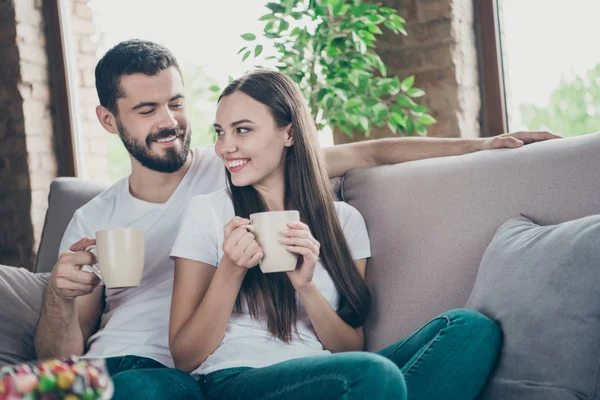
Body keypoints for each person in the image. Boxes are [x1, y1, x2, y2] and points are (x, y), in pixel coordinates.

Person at [33, 39, 559, 400]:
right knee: (126, 386)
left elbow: (370, 154)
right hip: (154, 371)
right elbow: (63, 357)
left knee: (465, 332)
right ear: (109, 120)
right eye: (147, 111)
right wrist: (59, 298)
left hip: (211, 373)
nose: (170, 122)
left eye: (175, 103)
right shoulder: (96, 216)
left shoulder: (231, 169)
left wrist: (484, 144)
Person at [169, 69, 502, 400]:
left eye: (242, 130)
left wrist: (306, 287)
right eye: (219, 132)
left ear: (289, 134)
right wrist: (232, 268)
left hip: (329, 374)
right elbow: (184, 357)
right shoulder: (209, 212)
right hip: (238, 380)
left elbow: (348, 346)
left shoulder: (344, 221)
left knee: (471, 330)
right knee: (373, 375)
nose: (225, 147)